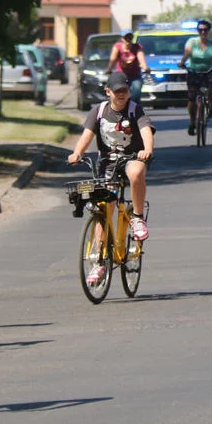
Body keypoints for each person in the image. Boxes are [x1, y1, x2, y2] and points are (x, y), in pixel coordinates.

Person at [67, 71, 155, 282]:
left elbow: (145, 131)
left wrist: (147, 149)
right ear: (108, 92)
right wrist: (77, 153)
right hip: (108, 163)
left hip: (133, 157)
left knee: (135, 172)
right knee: (103, 208)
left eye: (125, 90)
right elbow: (87, 136)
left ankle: (137, 218)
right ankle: (100, 262)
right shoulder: (98, 112)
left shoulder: (135, 110)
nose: (122, 94)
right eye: (117, 92)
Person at [179, 19, 212, 135]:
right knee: (192, 98)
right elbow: (187, 53)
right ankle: (192, 121)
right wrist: (182, 61)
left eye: (205, 30)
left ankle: (211, 107)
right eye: (200, 30)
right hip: (194, 71)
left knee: (211, 88)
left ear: (209, 31)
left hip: (209, 71)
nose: (203, 32)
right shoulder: (192, 42)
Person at [105, 30, 150, 103]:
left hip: (135, 75)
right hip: (121, 75)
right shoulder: (118, 47)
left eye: (130, 37)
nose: (128, 40)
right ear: (122, 38)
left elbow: (141, 57)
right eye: (126, 37)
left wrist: (145, 67)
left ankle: (135, 109)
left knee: (136, 90)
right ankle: (119, 108)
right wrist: (109, 69)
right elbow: (113, 59)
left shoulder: (137, 47)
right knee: (119, 91)